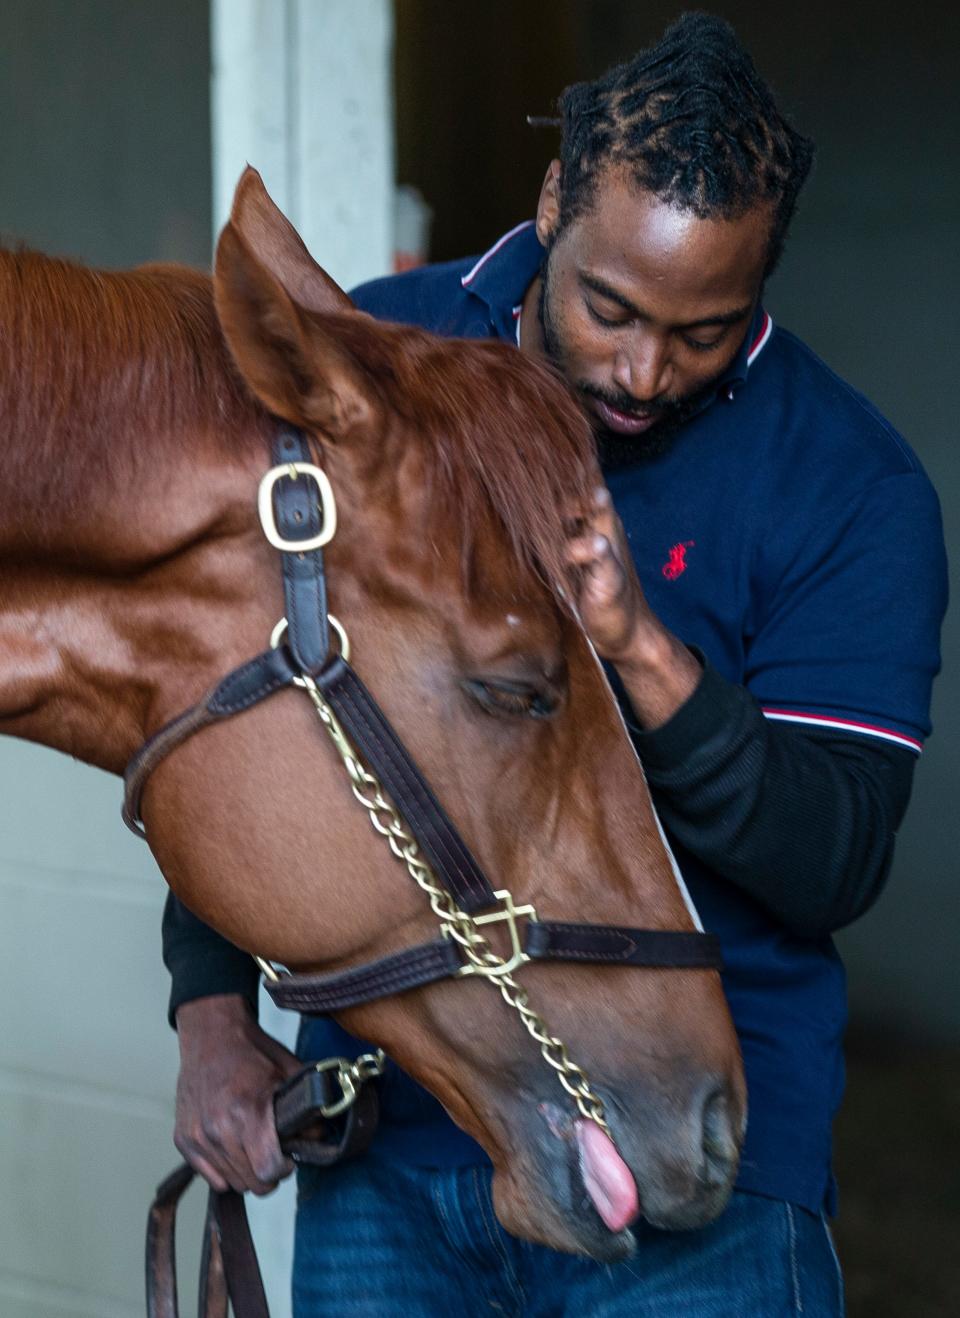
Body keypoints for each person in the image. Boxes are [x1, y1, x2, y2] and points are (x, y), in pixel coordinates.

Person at [163, 14, 947, 1316]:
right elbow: (248, 704)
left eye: (705, 329)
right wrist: (211, 1010)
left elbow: (831, 859)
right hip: (395, 1138)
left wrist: (637, 642)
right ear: (549, 206)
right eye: (612, 307)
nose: (645, 370)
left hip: (700, 1154)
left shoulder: (852, 488)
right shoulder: (375, 365)